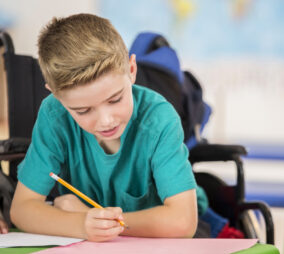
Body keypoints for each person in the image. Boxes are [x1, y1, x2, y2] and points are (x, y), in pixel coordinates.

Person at [9, 13, 203, 242]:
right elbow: (21, 210)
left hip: (160, 240)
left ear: (131, 70)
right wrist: (82, 224)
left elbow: (182, 222)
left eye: (115, 100)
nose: (105, 121)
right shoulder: (54, 115)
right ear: (55, 94)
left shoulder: (159, 119)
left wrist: (92, 218)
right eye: (83, 111)